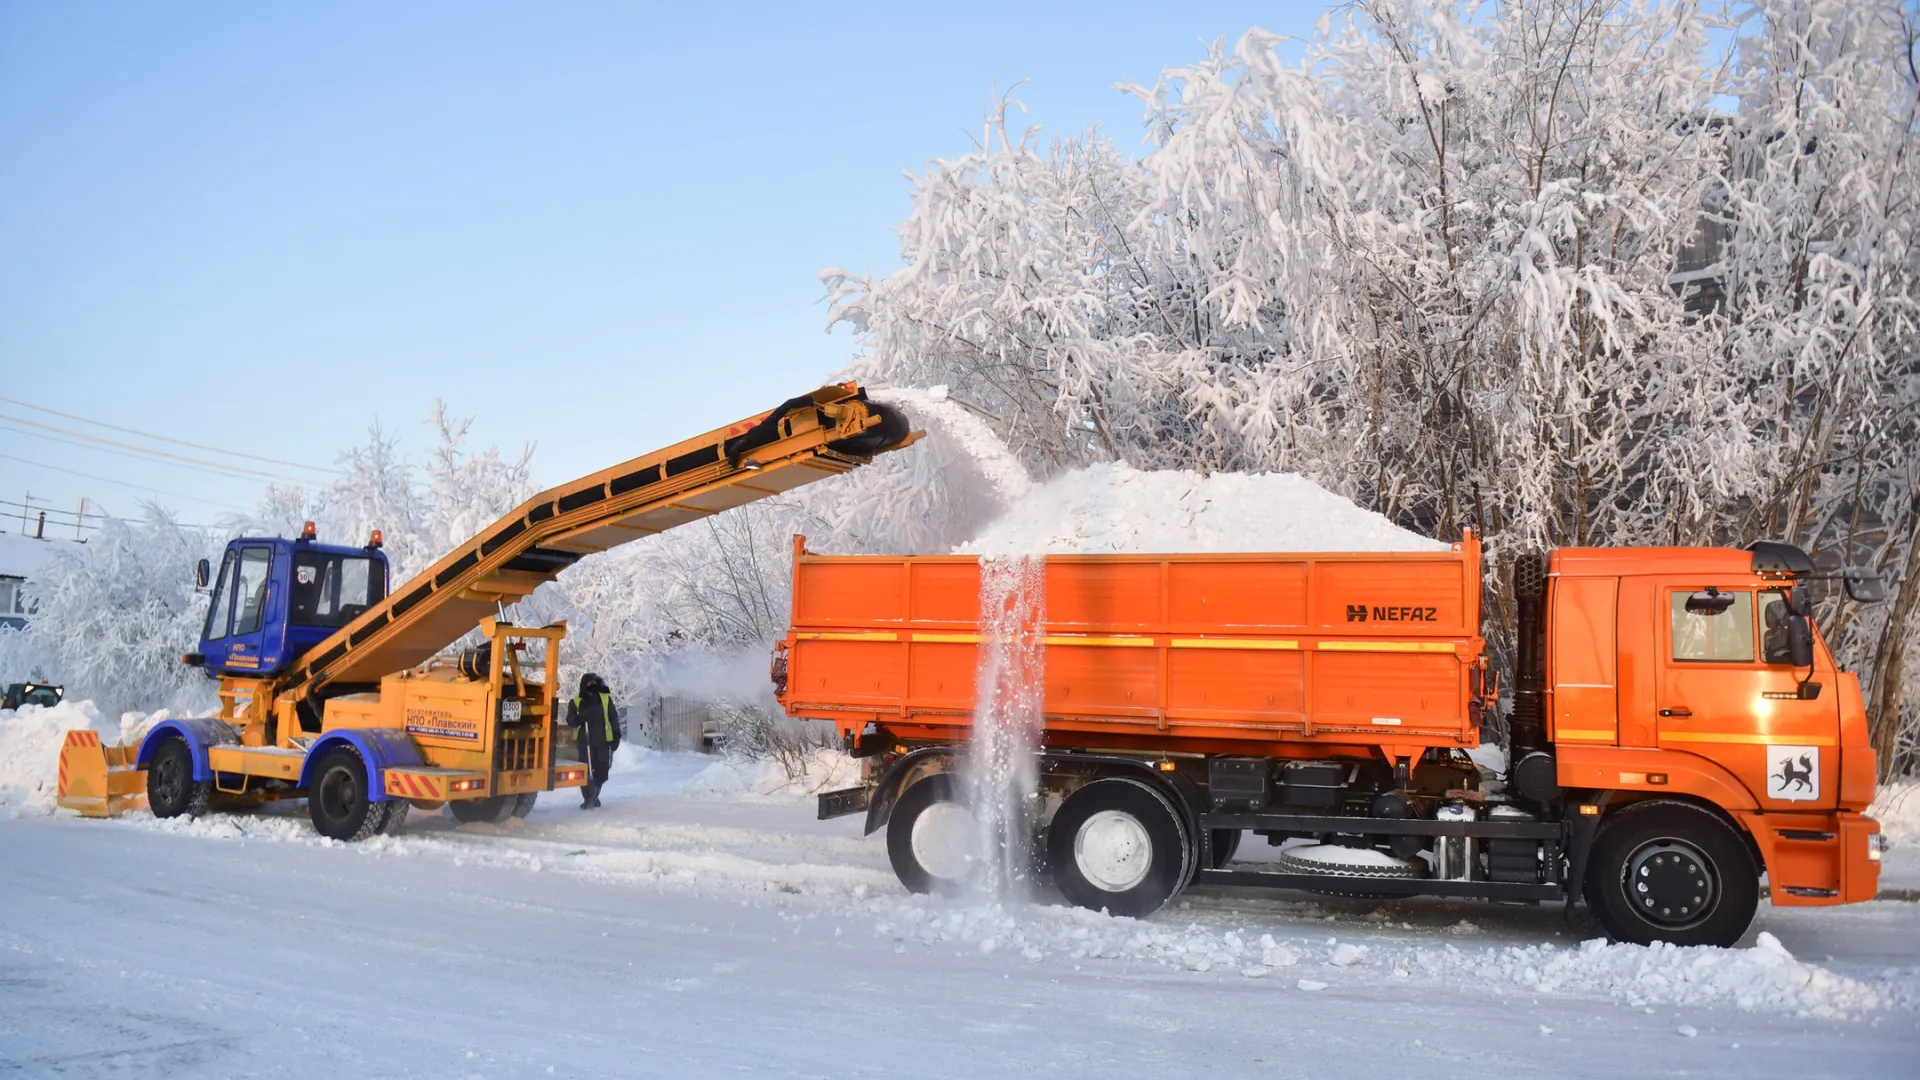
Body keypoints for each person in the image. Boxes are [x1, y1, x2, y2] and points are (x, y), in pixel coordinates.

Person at [565, 672, 620, 809]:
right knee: (585, 773)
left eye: (595, 684)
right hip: (585, 743)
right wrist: (581, 717)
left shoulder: (606, 700)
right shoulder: (576, 702)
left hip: (602, 743)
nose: (592, 686)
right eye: (589, 684)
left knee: (602, 771)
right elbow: (570, 721)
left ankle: (594, 793)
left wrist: (616, 736)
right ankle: (589, 798)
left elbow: (614, 719)